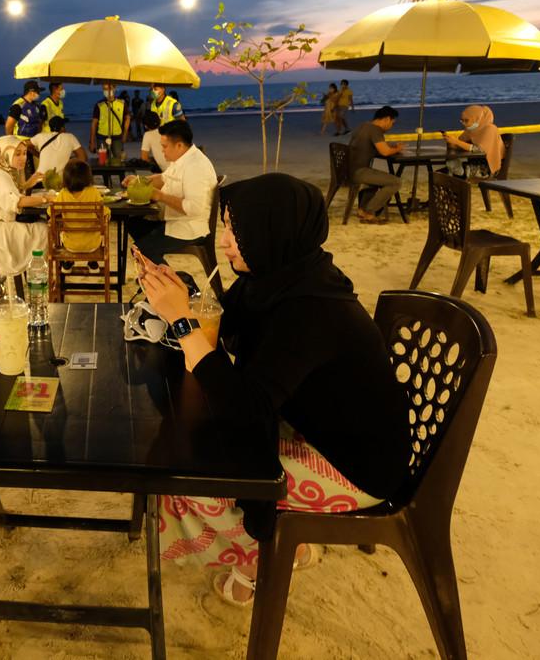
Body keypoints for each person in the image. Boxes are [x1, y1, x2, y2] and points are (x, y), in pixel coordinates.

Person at [141, 173, 411, 604]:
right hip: (314, 422)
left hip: (358, 463)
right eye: (226, 225)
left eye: (237, 230)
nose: (225, 241)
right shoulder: (278, 276)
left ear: (274, 231)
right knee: (189, 435)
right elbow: (227, 333)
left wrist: (183, 322)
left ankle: (261, 555)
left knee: (192, 469)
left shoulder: (313, 310)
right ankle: (283, 544)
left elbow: (248, 408)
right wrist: (182, 297)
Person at [124, 120, 217, 264]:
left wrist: (160, 196)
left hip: (190, 227)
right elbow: (163, 178)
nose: (162, 150)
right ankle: (155, 271)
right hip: (174, 220)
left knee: (141, 251)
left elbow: (194, 208)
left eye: (165, 146)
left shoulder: (196, 166)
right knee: (133, 223)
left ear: (179, 145)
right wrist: (138, 181)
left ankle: (173, 282)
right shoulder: (182, 159)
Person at [0, 136, 50, 279]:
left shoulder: (4, 170)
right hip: (0, 233)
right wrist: (46, 199)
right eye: (17, 154)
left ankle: (41, 274)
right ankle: (40, 277)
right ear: (5, 153)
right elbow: (18, 202)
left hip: (0, 222)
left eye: (24, 153)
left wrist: (31, 181)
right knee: (46, 230)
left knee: (43, 223)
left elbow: (15, 190)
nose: (23, 158)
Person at [346, 106, 403, 224]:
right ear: (387, 119)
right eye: (392, 123)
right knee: (395, 182)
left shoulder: (363, 126)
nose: (391, 126)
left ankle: (362, 209)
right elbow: (385, 152)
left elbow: (373, 147)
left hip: (348, 169)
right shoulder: (375, 130)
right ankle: (369, 211)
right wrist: (397, 149)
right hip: (359, 171)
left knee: (378, 180)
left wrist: (389, 147)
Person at [55, 159, 109, 254]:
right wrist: (108, 211)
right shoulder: (93, 192)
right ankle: (93, 263)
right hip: (92, 244)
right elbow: (103, 213)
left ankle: (67, 263)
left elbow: (51, 211)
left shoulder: (63, 194)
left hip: (70, 244)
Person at [443, 104, 503, 178]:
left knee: (449, 171)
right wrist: (450, 141)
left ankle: (458, 173)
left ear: (477, 119)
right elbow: (461, 143)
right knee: (446, 169)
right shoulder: (471, 130)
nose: (464, 124)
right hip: (471, 165)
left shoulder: (490, 129)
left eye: (466, 120)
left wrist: (456, 142)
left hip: (485, 169)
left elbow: (480, 149)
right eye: (462, 121)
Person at [89, 83, 129, 161]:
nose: (107, 91)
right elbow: (94, 124)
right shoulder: (99, 105)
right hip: (101, 137)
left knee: (118, 160)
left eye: (109, 88)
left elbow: (128, 118)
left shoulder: (122, 103)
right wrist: (92, 141)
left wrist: (125, 134)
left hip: (117, 137)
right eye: (104, 89)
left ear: (114, 88)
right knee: (103, 161)